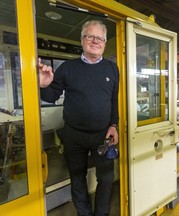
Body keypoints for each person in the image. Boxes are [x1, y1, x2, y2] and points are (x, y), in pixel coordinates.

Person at [38, 20, 119, 216]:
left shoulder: (112, 69)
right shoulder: (67, 68)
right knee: (77, 177)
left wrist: (113, 124)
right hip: (74, 135)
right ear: (82, 40)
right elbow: (51, 96)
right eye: (90, 36)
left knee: (107, 178)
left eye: (100, 38)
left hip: (102, 135)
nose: (95, 41)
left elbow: (114, 100)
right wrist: (43, 85)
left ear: (105, 43)